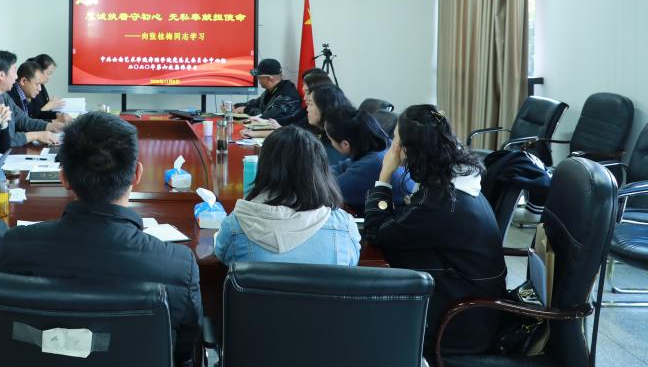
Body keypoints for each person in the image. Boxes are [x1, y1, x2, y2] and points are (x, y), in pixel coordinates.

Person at [0, 112, 202, 367]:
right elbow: (183, 352)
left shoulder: (14, 247)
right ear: (137, 174)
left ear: (64, 178)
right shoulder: (178, 266)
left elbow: (1, 333)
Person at [364, 105, 506, 356]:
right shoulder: (455, 178)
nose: (393, 148)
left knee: (369, 311)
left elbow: (378, 233)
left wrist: (384, 176)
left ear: (409, 149)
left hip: (460, 322)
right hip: (472, 302)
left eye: (396, 140)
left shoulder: (441, 201)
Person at [214, 126, 360, 266]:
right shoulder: (345, 227)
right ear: (320, 171)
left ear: (264, 167)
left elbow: (222, 255)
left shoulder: (237, 224)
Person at [324, 106, 414, 212]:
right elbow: (341, 167)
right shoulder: (379, 146)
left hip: (391, 218)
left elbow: (326, 192)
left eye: (330, 140)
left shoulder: (371, 164)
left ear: (345, 144)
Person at [0, 49, 61, 146]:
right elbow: (5, 141)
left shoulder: (3, 95)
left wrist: (52, 126)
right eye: (14, 71)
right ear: (1, 75)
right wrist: (36, 135)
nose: (16, 77)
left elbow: (24, 120)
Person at [233, 58, 303, 124]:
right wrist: (235, 106)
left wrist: (245, 109)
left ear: (269, 79)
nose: (258, 79)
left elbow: (266, 118)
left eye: (259, 77)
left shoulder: (288, 96)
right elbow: (255, 103)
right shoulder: (270, 91)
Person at [28, 54, 68, 122]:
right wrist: (49, 106)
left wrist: (57, 115)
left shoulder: (41, 86)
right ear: (38, 71)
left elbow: (43, 113)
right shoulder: (30, 88)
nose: (49, 78)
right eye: (48, 73)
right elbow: (32, 117)